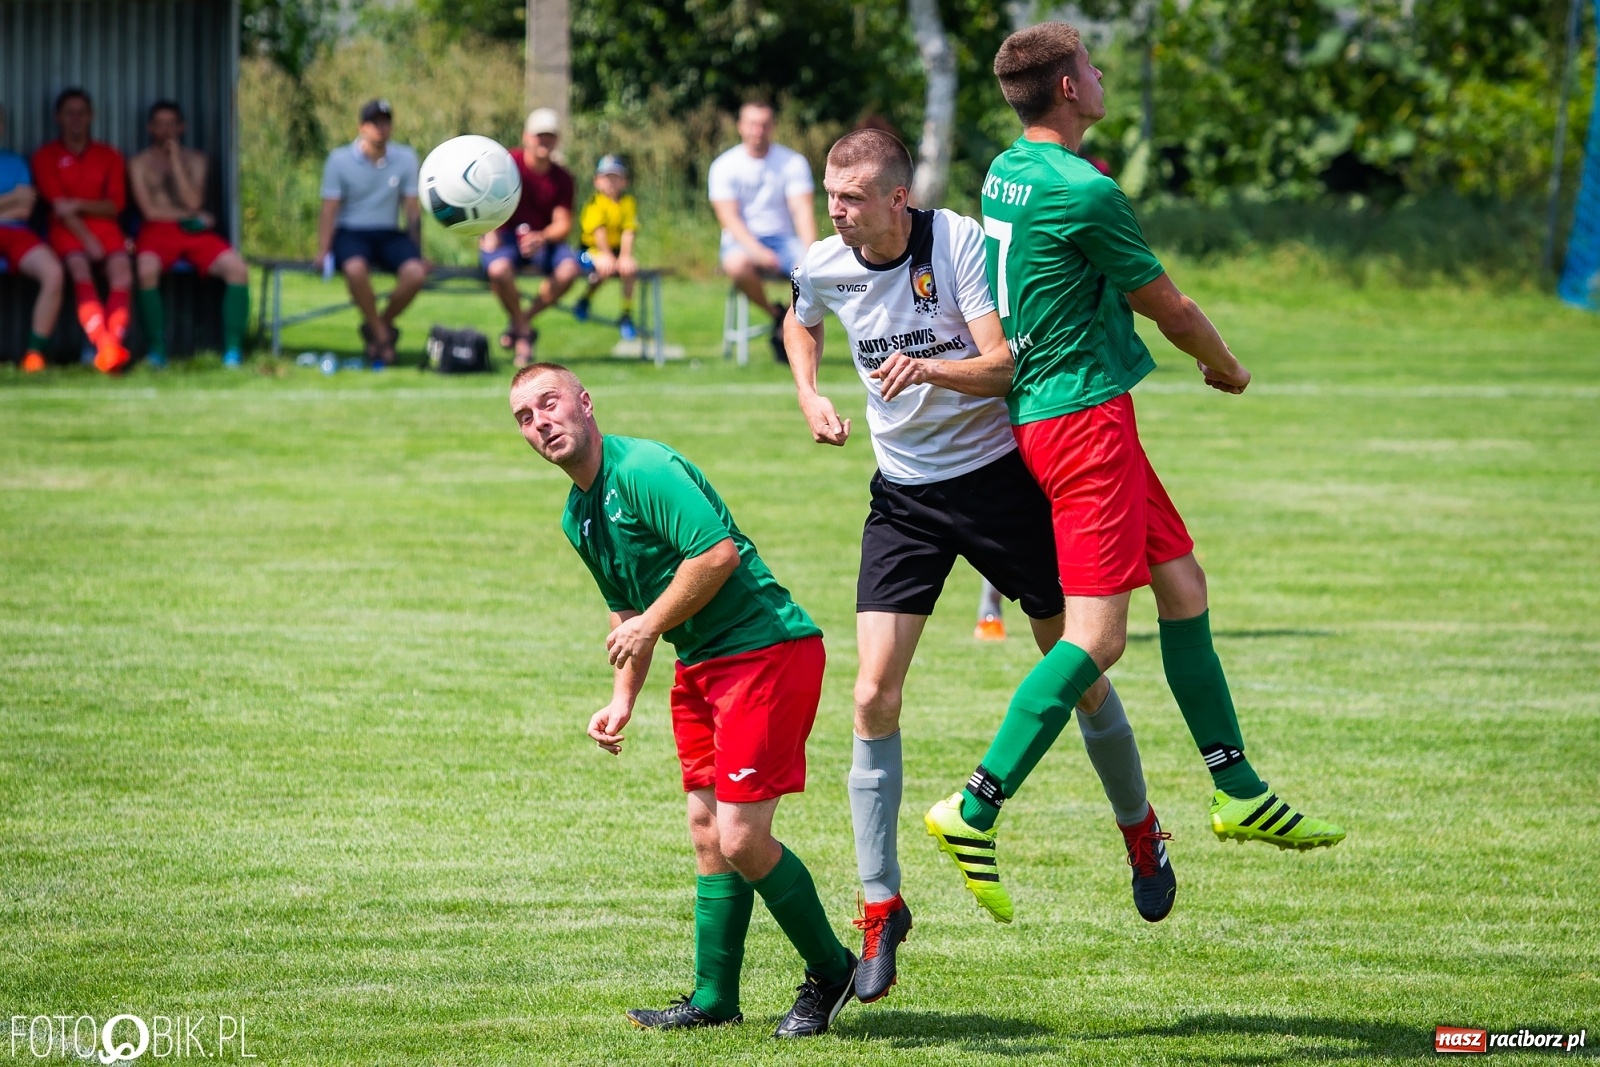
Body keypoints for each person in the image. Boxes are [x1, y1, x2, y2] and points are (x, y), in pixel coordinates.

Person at [925, 22, 1344, 920]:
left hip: (1057, 408)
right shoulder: (1084, 190)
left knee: (1184, 585)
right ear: (1069, 88)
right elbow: (1173, 308)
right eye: (1091, 64)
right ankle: (974, 803)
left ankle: (1236, 787)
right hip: (1082, 421)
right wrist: (1224, 364)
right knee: (1098, 639)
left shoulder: (1009, 168)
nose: (1102, 72)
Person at [785, 129, 1174, 1000]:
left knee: (1077, 666)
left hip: (1001, 484)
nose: (835, 210)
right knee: (870, 692)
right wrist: (810, 393)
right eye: (830, 194)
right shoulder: (825, 260)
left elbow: (1003, 367)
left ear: (897, 198)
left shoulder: (958, 241)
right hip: (906, 499)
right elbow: (798, 315)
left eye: (850, 197)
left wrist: (926, 370)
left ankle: (1140, 827)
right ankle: (881, 908)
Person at [509, 363, 858, 1037]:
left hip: (764, 650)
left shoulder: (644, 468)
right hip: (701, 665)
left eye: (548, 403)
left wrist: (648, 623)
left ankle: (833, 969)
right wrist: (621, 698)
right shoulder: (577, 514)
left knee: (741, 836)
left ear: (584, 401)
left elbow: (716, 555)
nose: (540, 422)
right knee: (707, 836)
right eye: (525, 417)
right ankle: (714, 998)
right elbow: (626, 612)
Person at [128, 100, 250, 368]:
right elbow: (150, 211)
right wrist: (190, 216)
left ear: (181, 127)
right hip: (157, 231)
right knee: (146, 270)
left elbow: (193, 201)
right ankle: (157, 350)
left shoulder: (196, 160)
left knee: (237, 269)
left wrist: (175, 160)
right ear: (150, 128)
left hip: (193, 232)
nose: (166, 130)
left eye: (172, 124)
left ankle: (233, 351)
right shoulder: (139, 163)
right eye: (160, 124)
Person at [316, 99, 427, 365]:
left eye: (385, 122)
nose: (381, 128)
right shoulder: (339, 159)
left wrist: (418, 251)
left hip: (388, 232)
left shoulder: (406, 157)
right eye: (375, 122)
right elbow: (329, 209)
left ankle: (378, 327)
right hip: (351, 231)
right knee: (355, 269)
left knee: (416, 273)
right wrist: (323, 250)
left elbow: (412, 210)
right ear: (361, 127)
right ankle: (382, 335)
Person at [31, 88, 132, 373]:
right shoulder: (45, 156)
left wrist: (77, 203)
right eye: (69, 113)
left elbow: (116, 206)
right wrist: (87, 238)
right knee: (78, 268)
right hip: (66, 229)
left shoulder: (109, 155)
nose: (76, 118)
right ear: (58, 118)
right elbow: (60, 209)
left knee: (122, 271)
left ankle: (113, 342)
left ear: (91, 116)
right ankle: (105, 346)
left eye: (81, 112)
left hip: (106, 228)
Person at [708, 102, 816, 362]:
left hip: (784, 239)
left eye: (764, 124)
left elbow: (802, 211)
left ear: (773, 127)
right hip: (742, 241)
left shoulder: (792, 162)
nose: (759, 130)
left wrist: (812, 251)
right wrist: (758, 252)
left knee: (810, 266)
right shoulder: (725, 165)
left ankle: (792, 324)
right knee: (736, 264)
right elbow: (729, 219)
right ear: (741, 127)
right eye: (753, 124)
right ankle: (777, 316)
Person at [480, 108, 581, 367]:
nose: (544, 141)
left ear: (556, 140)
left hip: (542, 242)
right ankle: (524, 333)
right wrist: (488, 230)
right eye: (539, 136)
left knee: (570, 270)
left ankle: (519, 323)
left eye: (549, 136)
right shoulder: (506, 164)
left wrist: (542, 237)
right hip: (504, 234)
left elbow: (563, 223)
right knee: (498, 270)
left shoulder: (562, 178)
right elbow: (482, 199)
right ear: (526, 137)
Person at [0, 103, 63, 373]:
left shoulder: (15, 162)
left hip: (15, 231)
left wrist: (15, 203)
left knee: (53, 272)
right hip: (8, 221)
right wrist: (10, 199)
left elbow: (24, 209)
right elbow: (17, 201)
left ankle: (34, 354)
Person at [572, 154, 639, 343]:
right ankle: (585, 299)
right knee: (604, 268)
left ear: (624, 181)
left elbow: (628, 231)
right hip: (589, 251)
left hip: (615, 250)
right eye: (606, 177)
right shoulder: (595, 203)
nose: (611, 182)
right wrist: (607, 256)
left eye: (616, 178)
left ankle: (626, 313)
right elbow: (598, 232)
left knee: (630, 269)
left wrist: (625, 257)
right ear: (597, 181)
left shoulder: (627, 203)